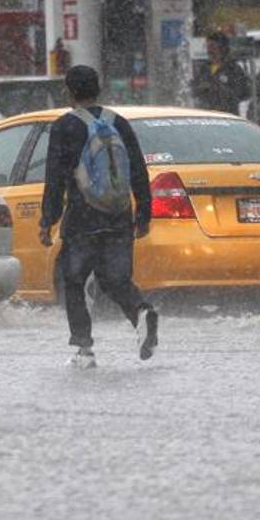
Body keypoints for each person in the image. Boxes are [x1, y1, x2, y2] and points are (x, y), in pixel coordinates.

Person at [39, 64, 159, 369]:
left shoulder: (65, 126)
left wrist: (47, 220)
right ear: (98, 90)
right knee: (115, 279)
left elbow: (54, 178)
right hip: (119, 215)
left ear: (69, 91)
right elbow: (138, 171)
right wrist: (144, 213)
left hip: (82, 218)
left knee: (75, 280)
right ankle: (142, 313)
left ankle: (84, 350)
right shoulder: (118, 122)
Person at [195, 31, 250, 114]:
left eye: (212, 46)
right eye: (207, 46)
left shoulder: (233, 69)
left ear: (222, 48)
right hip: (207, 116)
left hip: (227, 116)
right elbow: (195, 89)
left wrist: (221, 89)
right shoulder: (204, 68)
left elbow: (244, 92)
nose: (209, 50)